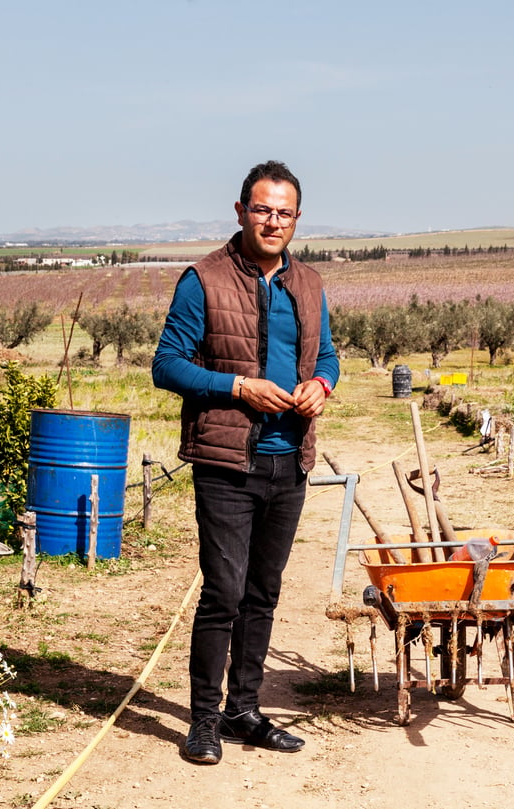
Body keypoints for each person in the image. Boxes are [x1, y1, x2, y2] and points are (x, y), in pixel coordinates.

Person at [152, 160, 339, 765]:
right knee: (224, 592)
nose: (272, 221)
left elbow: (329, 356)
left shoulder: (309, 284)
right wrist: (238, 389)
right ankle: (203, 720)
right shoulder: (202, 279)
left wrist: (321, 386)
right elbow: (166, 365)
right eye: (262, 209)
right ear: (240, 211)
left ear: (297, 219)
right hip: (227, 463)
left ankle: (244, 711)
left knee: (263, 592)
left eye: (284, 213)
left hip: (291, 463)